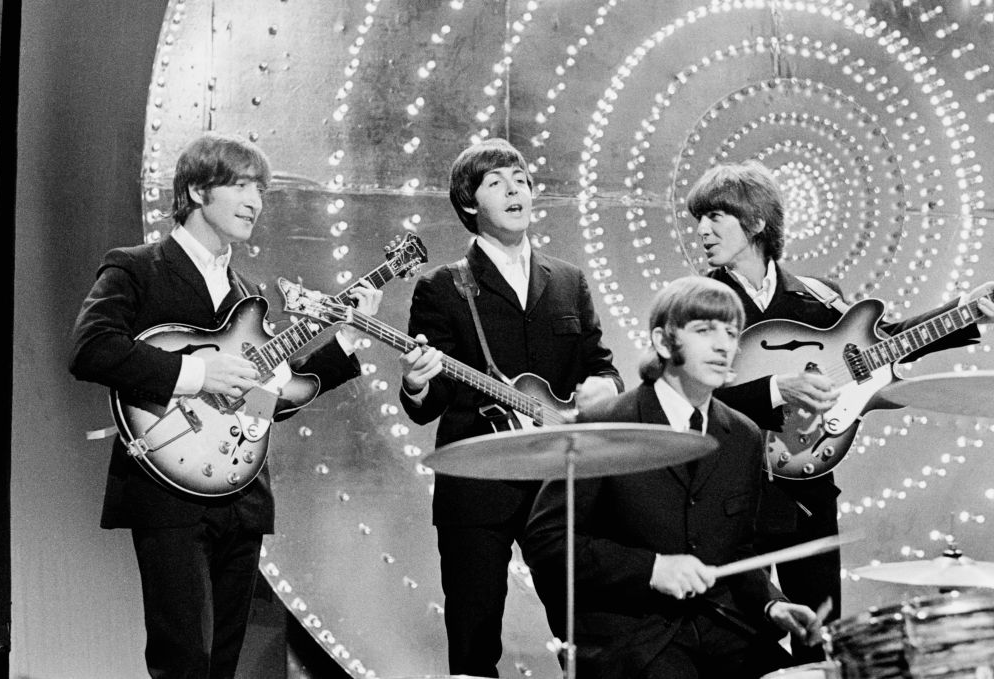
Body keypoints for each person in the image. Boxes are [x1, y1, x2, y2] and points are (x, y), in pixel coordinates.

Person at [69, 131, 382, 679]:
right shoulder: (137, 267)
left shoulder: (247, 294)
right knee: (183, 661)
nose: (254, 201)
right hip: (168, 485)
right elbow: (91, 348)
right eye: (240, 186)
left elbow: (269, 402)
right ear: (196, 190)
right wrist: (195, 374)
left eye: (260, 189)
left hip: (241, 493)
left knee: (224, 664)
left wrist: (348, 340)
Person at [686, 159, 994, 662]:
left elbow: (884, 341)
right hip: (729, 497)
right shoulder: (698, 302)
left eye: (716, 216)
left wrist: (965, 312)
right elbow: (689, 397)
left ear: (757, 222)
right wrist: (776, 389)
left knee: (818, 640)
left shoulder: (818, 296)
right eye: (698, 218)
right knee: (741, 648)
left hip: (807, 494)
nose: (702, 230)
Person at [397, 137, 623, 676]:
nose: (514, 190)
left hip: (559, 483)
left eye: (520, 180)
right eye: (496, 183)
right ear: (469, 203)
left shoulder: (568, 279)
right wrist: (416, 383)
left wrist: (605, 385)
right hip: (478, 486)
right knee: (474, 642)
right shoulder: (442, 287)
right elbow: (428, 406)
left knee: (588, 633)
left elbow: (600, 364)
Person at [522, 276, 820, 678]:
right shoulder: (604, 425)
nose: (723, 345)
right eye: (705, 330)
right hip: (631, 636)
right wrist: (651, 569)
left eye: (731, 332)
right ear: (663, 342)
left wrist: (771, 604)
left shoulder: (743, 435)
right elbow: (547, 542)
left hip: (719, 626)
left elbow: (739, 550)